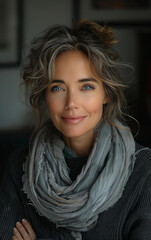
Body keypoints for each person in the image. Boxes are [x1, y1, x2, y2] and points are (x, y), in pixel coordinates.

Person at [0, 20, 151, 240]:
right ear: (45, 96)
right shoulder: (18, 168)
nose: (72, 102)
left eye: (86, 87)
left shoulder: (144, 172)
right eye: (58, 88)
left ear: (106, 93)